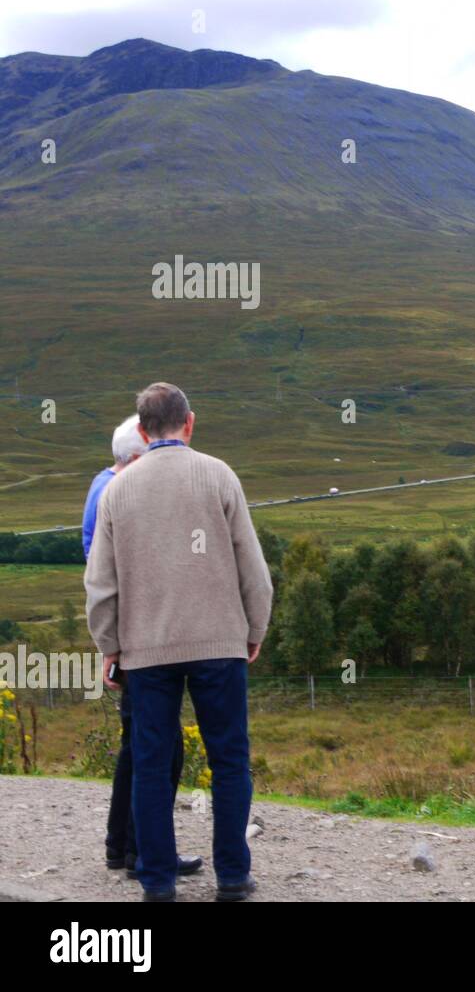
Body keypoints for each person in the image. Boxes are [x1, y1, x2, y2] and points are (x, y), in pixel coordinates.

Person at [85, 384, 274, 902]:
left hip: (147, 651)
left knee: (150, 763)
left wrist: (110, 645)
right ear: (190, 423)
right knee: (230, 760)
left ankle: (158, 883)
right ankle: (233, 876)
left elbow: (101, 584)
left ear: (143, 432)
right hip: (219, 644)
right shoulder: (220, 475)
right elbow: (252, 568)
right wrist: (254, 628)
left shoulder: (118, 490)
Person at [84, 416, 199, 882]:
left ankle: (121, 845)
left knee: (139, 745)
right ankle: (142, 852)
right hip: (139, 638)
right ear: (136, 458)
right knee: (160, 749)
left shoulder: (102, 483)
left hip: (128, 635)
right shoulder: (118, 493)